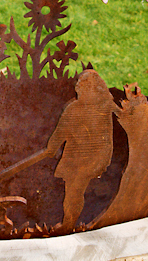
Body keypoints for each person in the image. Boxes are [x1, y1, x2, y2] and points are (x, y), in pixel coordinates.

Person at [45, 69, 118, 230]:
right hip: (74, 158)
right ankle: (69, 222)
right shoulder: (74, 109)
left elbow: (124, 120)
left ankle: (70, 223)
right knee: (72, 192)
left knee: (75, 190)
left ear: (95, 90)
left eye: (84, 88)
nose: (80, 91)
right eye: (79, 88)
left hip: (94, 157)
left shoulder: (104, 107)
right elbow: (60, 133)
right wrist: (51, 148)